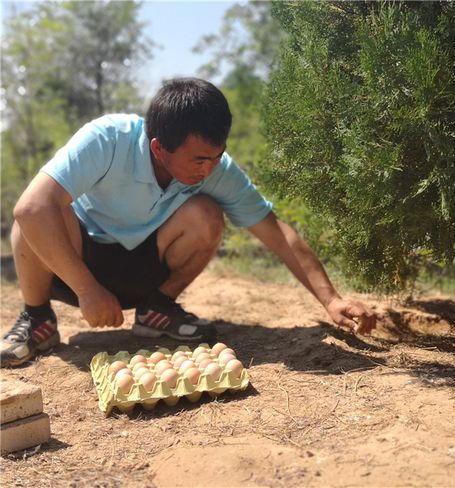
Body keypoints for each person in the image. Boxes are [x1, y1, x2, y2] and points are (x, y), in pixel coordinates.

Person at [1, 77, 376, 368]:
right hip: (77, 263)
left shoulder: (215, 168)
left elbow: (276, 233)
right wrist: (86, 289)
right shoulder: (107, 139)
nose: (210, 168)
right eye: (199, 159)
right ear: (159, 148)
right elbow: (31, 209)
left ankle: (157, 309)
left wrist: (331, 299)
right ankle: (37, 320)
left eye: (218, 155)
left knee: (207, 213)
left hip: (146, 270)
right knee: (35, 216)